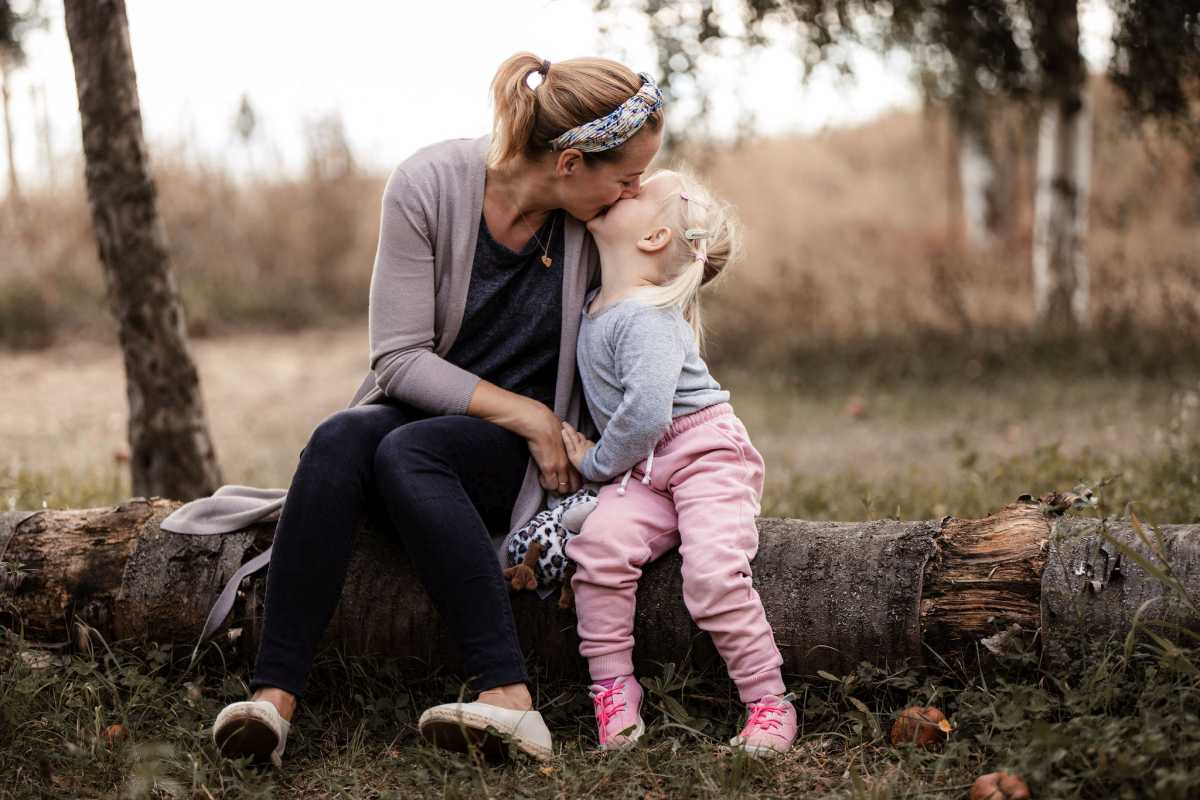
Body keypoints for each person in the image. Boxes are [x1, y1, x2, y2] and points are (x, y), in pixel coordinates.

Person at [207, 52, 664, 767]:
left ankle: (510, 699)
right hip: (467, 424)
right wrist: (528, 415)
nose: (636, 191)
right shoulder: (429, 185)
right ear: (571, 162)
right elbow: (397, 359)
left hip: (511, 463)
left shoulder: (599, 223)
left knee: (405, 452)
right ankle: (272, 702)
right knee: (339, 436)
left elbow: (678, 281)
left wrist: (556, 427)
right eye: (627, 175)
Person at [559, 169, 798, 758]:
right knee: (597, 553)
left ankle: (769, 702)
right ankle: (614, 690)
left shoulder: (644, 317)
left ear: (653, 238)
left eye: (636, 192)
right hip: (646, 472)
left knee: (713, 576)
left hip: (704, 456)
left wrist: (593, 463)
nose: (620, 187)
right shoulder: (595, 305)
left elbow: (642, 417)